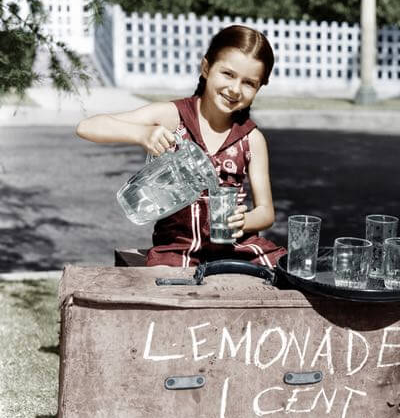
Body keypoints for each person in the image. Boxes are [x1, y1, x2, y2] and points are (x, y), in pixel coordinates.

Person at [77, 24, 286, 268]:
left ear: (259, 87)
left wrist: (245, 220)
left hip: (236, 250)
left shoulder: (251, 139)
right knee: (172, 293)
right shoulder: (173, 117)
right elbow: (87, 127)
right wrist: (142, 133)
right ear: (206, 68)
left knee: (287, 278)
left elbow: (266, 212)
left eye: (249, 83)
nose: (235, 89)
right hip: (178, 249)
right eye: (227, 74)